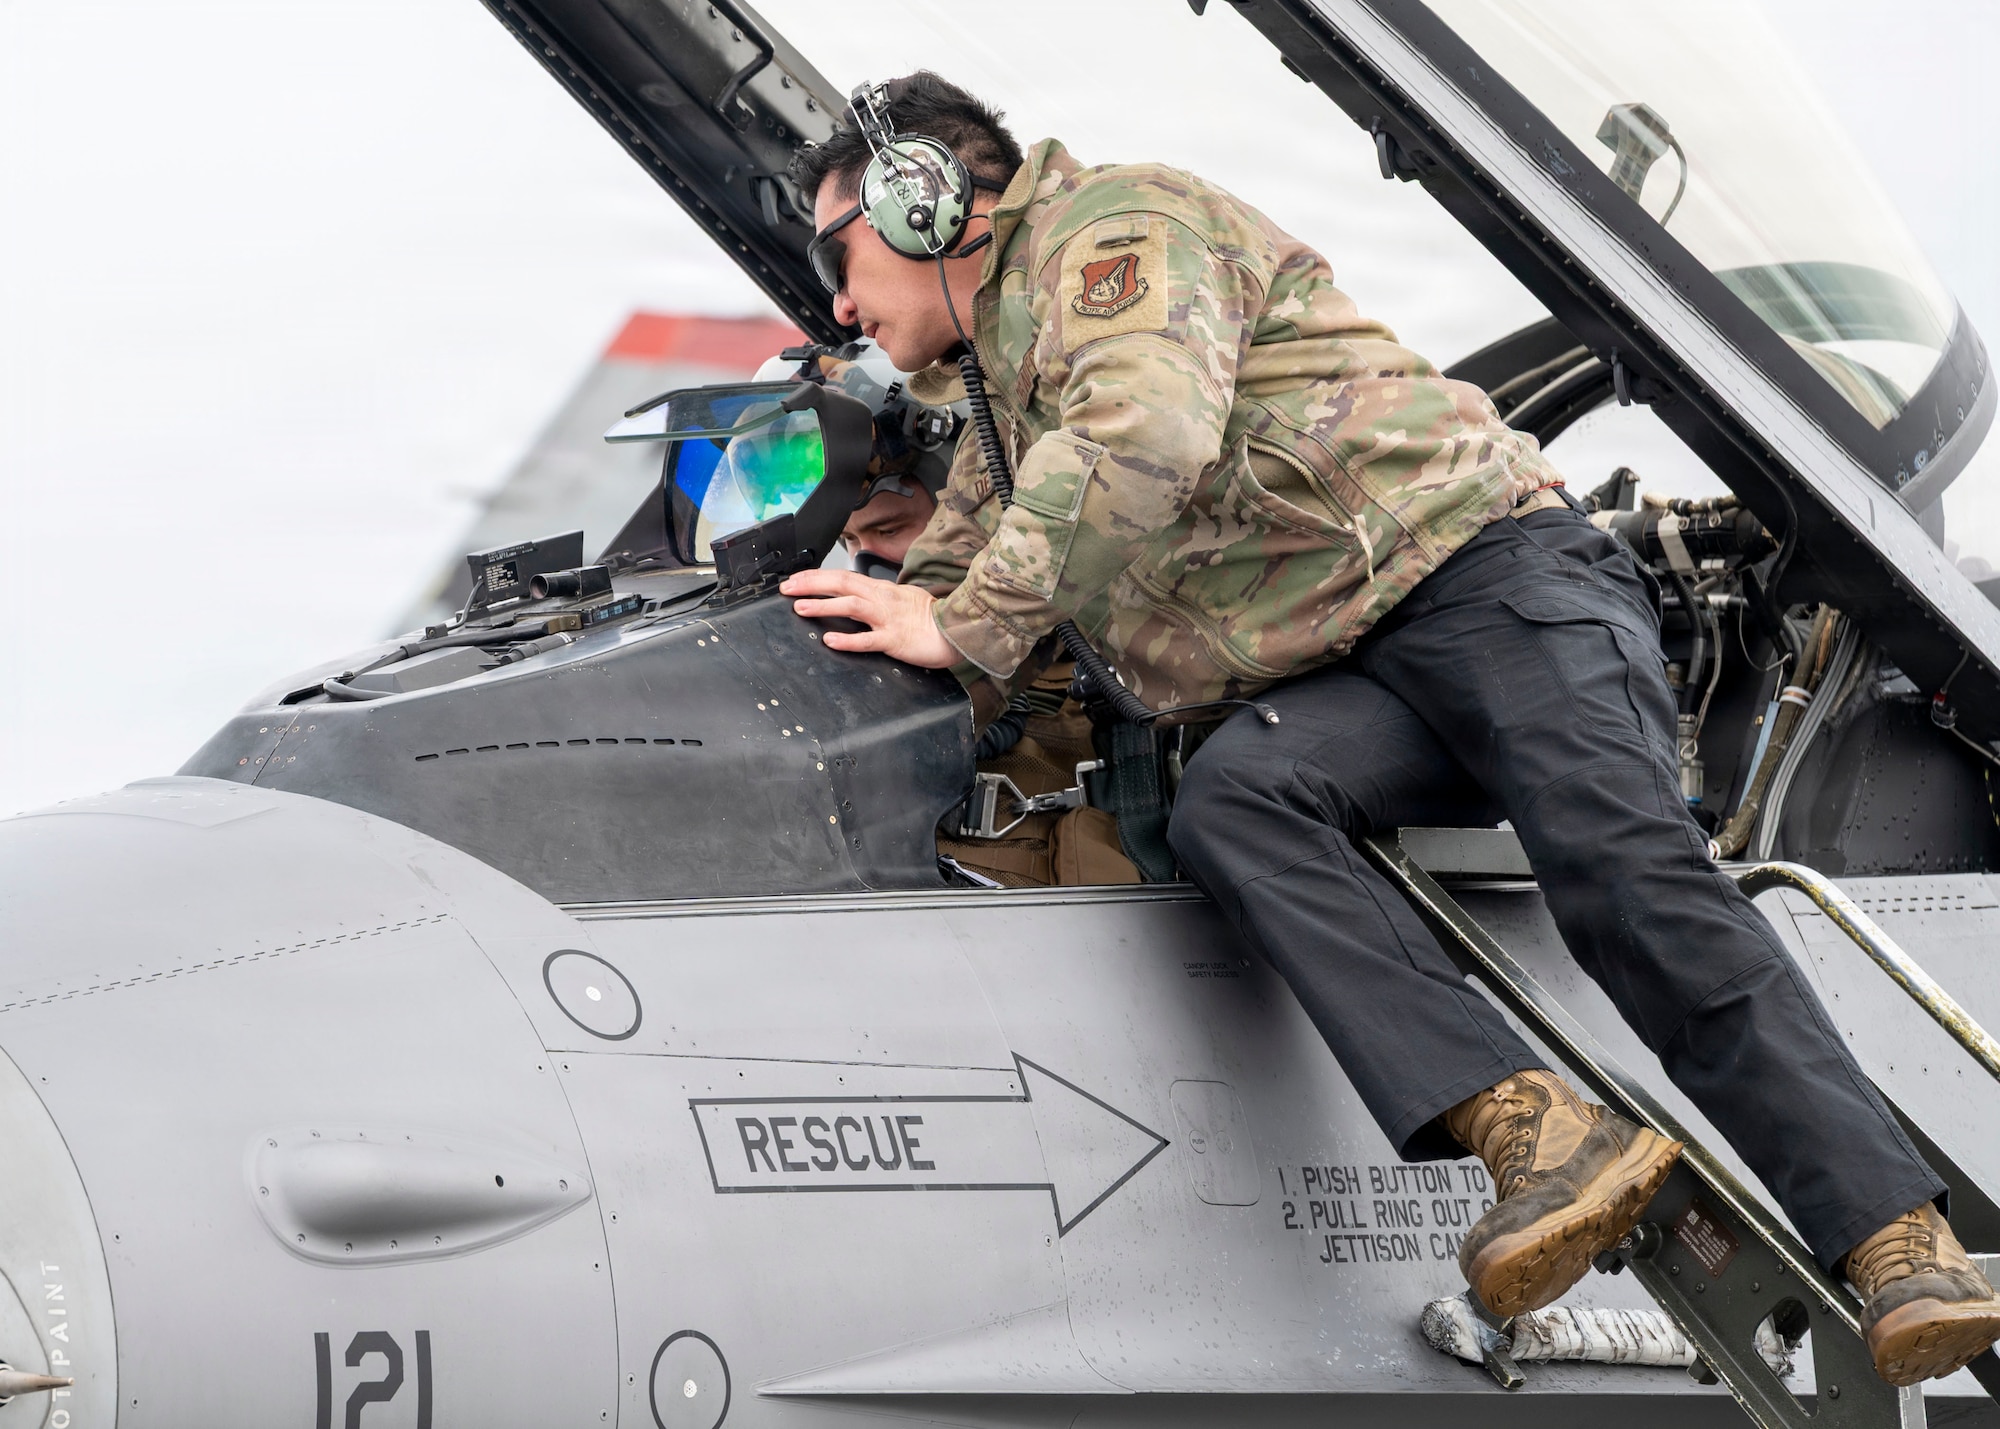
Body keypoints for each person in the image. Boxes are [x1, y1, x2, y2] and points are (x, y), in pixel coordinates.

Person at [778, 72, 2000, 1384]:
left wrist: (962, 623)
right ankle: (1539, 1133)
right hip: (1370, 662)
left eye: (837, 253)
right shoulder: (1007, 411)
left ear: (923, 199)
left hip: (1496, 577)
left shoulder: (1116, 238)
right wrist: (878, 621)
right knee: (1240, 797)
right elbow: (960, 583)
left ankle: (1893, 1235)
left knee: (1619, 869)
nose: (838, 306)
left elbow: (1144, 432)